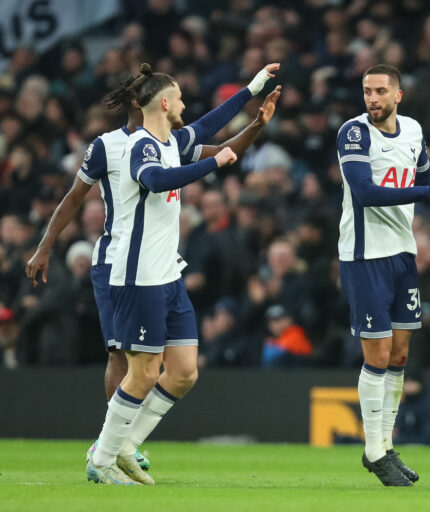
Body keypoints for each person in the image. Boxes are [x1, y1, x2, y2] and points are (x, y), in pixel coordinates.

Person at [25, 65, 280, 477]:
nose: (184, 105)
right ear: (160, 102)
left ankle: (123, 443)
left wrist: (254, 93)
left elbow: (213, 127)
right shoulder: (129, 147)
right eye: (178, 98)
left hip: (166, 272)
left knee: (182, 372)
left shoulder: (171, 141)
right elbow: (151, 182)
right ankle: (105, 455)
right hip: (129, 268)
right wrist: (45, 246)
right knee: (132, 364)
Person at [336, 64, 430, 486]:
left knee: (399, 355)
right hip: (364, 256)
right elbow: (365, 192)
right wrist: (427, 192)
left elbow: (424, 175)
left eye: (379, 91)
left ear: (398, 95)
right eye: (366, 91)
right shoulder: (354, 133)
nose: (372, 99)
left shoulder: (412, 130)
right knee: (376, 355)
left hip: (401, 255)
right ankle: (374, 449)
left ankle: (386, 446)